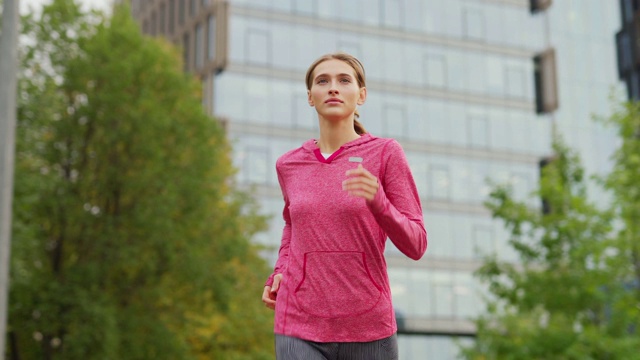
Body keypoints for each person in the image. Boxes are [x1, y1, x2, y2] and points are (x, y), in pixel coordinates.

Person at [261, 52, 428, 360]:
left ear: (361, 95)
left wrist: (379, 201)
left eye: (344, 80)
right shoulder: (288, 164)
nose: (333, 88)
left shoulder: (386, 153)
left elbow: (416, 244)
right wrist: (281, 270)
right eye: (322, 81)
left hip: (369, 326)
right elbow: (292, 224)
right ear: (310, 97)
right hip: (298, 320)